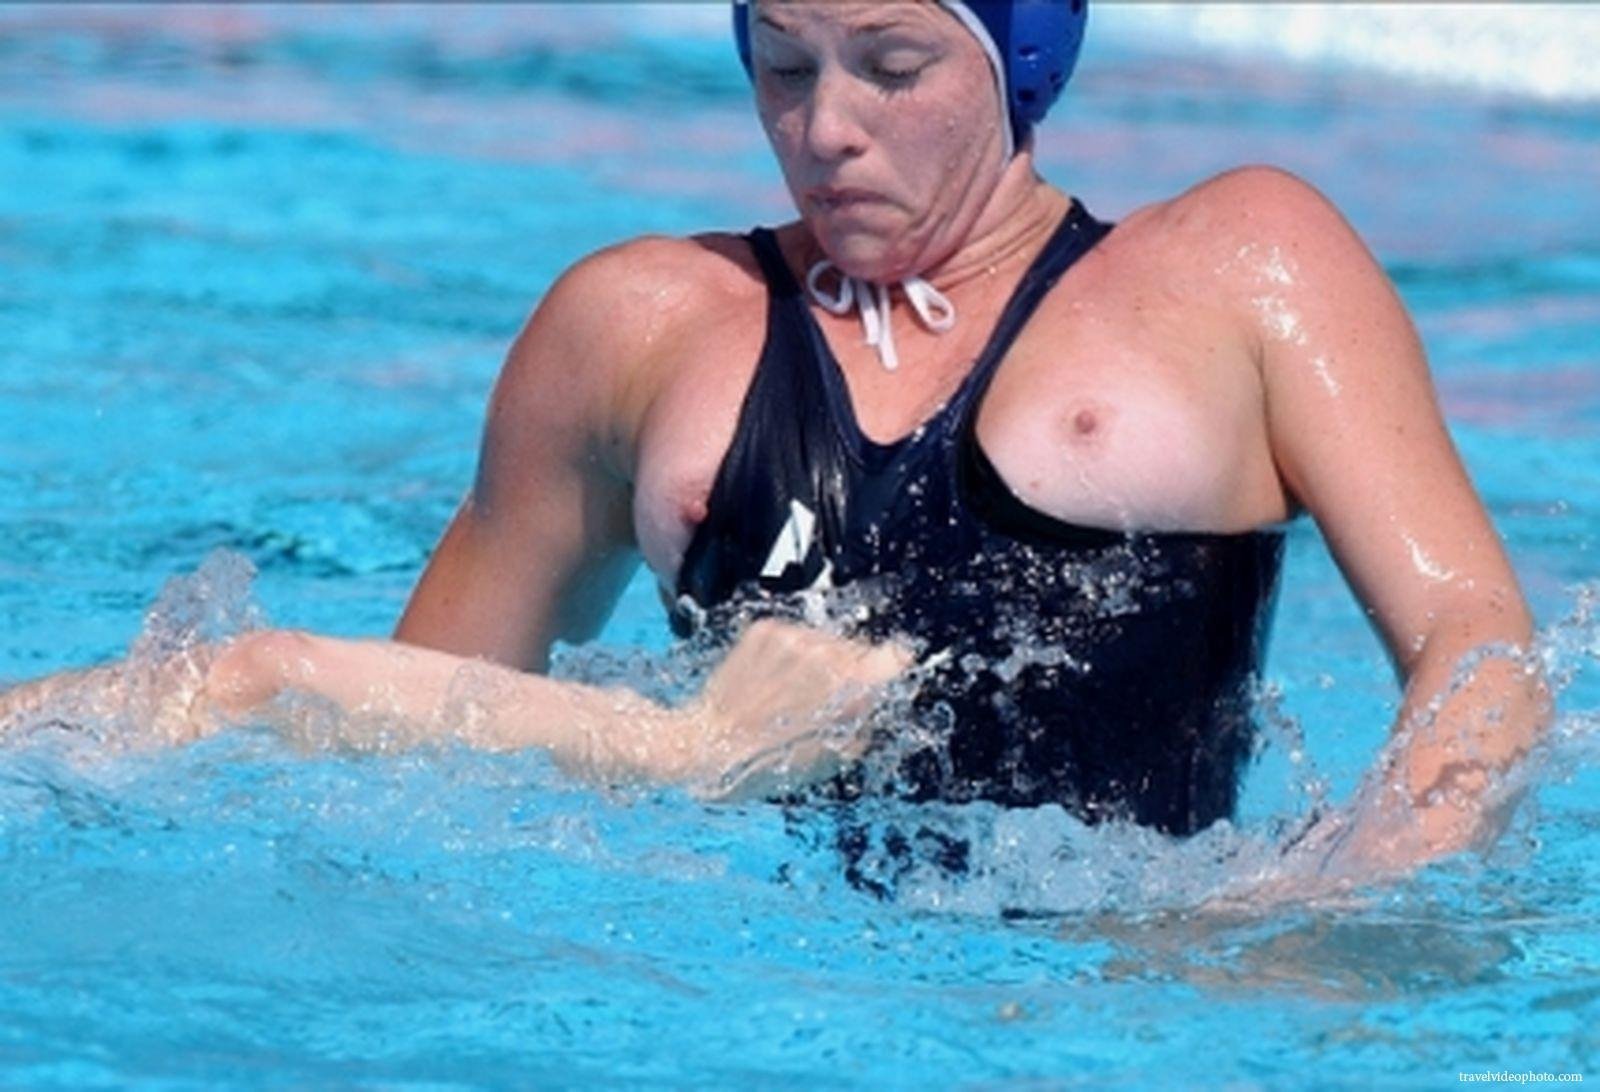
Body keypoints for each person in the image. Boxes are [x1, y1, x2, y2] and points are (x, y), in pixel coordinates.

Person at [1, 1, 1547, 883]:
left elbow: (1477, 643)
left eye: (893, 66)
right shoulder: (634, 326)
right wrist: (664, 758)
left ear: (1020, 64)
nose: (825, 127)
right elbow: (417, 760)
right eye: (784, 65)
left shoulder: (1238, 269)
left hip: (1125, 1002)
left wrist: (1337, 904)